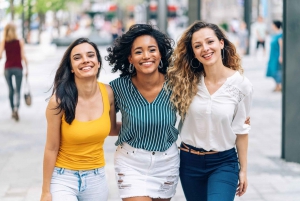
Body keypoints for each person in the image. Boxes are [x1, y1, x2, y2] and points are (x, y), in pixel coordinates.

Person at [167, 21, 253, 201]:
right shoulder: (185, 82)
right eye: (197, 46)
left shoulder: (241, 85)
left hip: (223, 162)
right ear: (193, 53)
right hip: (189, 162)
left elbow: (241, 130)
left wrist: (243, 169)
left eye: (210, 42)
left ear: (221, 43)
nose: (205, 48)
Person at [105, 24, 179, 201]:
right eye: (138, 52)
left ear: (160, 53)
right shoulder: (117, 88)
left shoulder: (176, 85)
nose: (146, 56)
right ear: (130, 58)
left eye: (152, 50)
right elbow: (110, 129)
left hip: (167, 162)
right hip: (131, 163)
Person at [40, 38, 120, 201]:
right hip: (64, 178)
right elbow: (51, 148)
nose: (85, 60)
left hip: (96, 177)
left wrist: (146, 124)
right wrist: (45, 191)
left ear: (98, 62)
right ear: (71, 68)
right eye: (77, 57)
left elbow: (112, 129)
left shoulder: (109, 93)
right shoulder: (59, 101)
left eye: (90, 55)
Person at [0, 22, 28, 121]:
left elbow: (0, 55)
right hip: (18, 68)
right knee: (18, 90)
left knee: (11, 90)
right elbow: (23, 56)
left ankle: (12, 110)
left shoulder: (4, 42)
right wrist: (27, 69)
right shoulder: (20, 41)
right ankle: (16, 108)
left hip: (7, 68)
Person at [266, 20, 282, 92]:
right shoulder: (274, 35)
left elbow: (281, 46)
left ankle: (279, 85)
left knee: (276, 71)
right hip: (272, 56)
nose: (272, 26)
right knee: (272, 70)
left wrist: (281, 56)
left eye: (272, 25)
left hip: (277, 56)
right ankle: (277, 85)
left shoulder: (280, 35)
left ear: (275, 26)